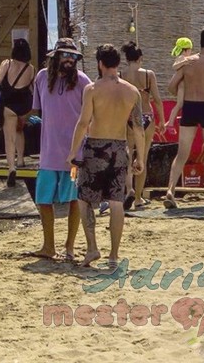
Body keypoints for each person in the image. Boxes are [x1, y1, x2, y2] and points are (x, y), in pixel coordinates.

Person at [67, 44, 143, 269]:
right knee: (116, 202)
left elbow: (83, 123)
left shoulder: (91, 89)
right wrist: (141, 158)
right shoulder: (132, 92)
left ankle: (92, 248)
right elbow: (138, 128)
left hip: (95, 148)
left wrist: (73, 152)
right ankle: (113, 256)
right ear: (118, 63)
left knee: (83, 198)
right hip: (120, 147)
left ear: (100, 64)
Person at [29, 37, 91, 261]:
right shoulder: (42, 78)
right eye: (65, 55)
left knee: (74, 199)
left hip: (75, 154)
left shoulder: (84, 82)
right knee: (43, 199)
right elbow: (36, 110)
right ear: (55, 57)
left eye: (73, 56)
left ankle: (69, 246)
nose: (69, 59)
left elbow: (92, 115)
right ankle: (48, 246)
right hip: (48, 153)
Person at [164, 28, 204, 210]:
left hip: (190, 105)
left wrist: (183, 91)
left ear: (200, 42)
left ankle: (170, 189)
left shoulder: (188, 62)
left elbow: (170, 87)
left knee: (182, 152)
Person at [120, 41, 166, 209]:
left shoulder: (121, 75)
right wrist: (162, 121)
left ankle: (129, 190)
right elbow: (158, 100)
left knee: (127, 156)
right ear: (140, 58)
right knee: (142, 157)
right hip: (146, 116)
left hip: (128, 117)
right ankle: (138, 198)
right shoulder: (148, 75)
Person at [0, 38, 35, 187]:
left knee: (9, 137)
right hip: (24, 104)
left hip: (9, 103)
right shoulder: (31, 68)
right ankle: (21, 159)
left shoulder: (7, 63)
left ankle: (11, 168)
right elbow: (31, 86)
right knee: (19, 130)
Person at [165, 37, 194, 128]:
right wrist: (183, 63)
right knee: (179, 104)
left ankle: (174, 120)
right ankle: (170, 123)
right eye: (190, 50)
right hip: (182, 85)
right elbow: (174, 66)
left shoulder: (188, 58)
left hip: (187, 85)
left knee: (185, 104)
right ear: (185, 50)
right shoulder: (181, 58)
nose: (191, 52)